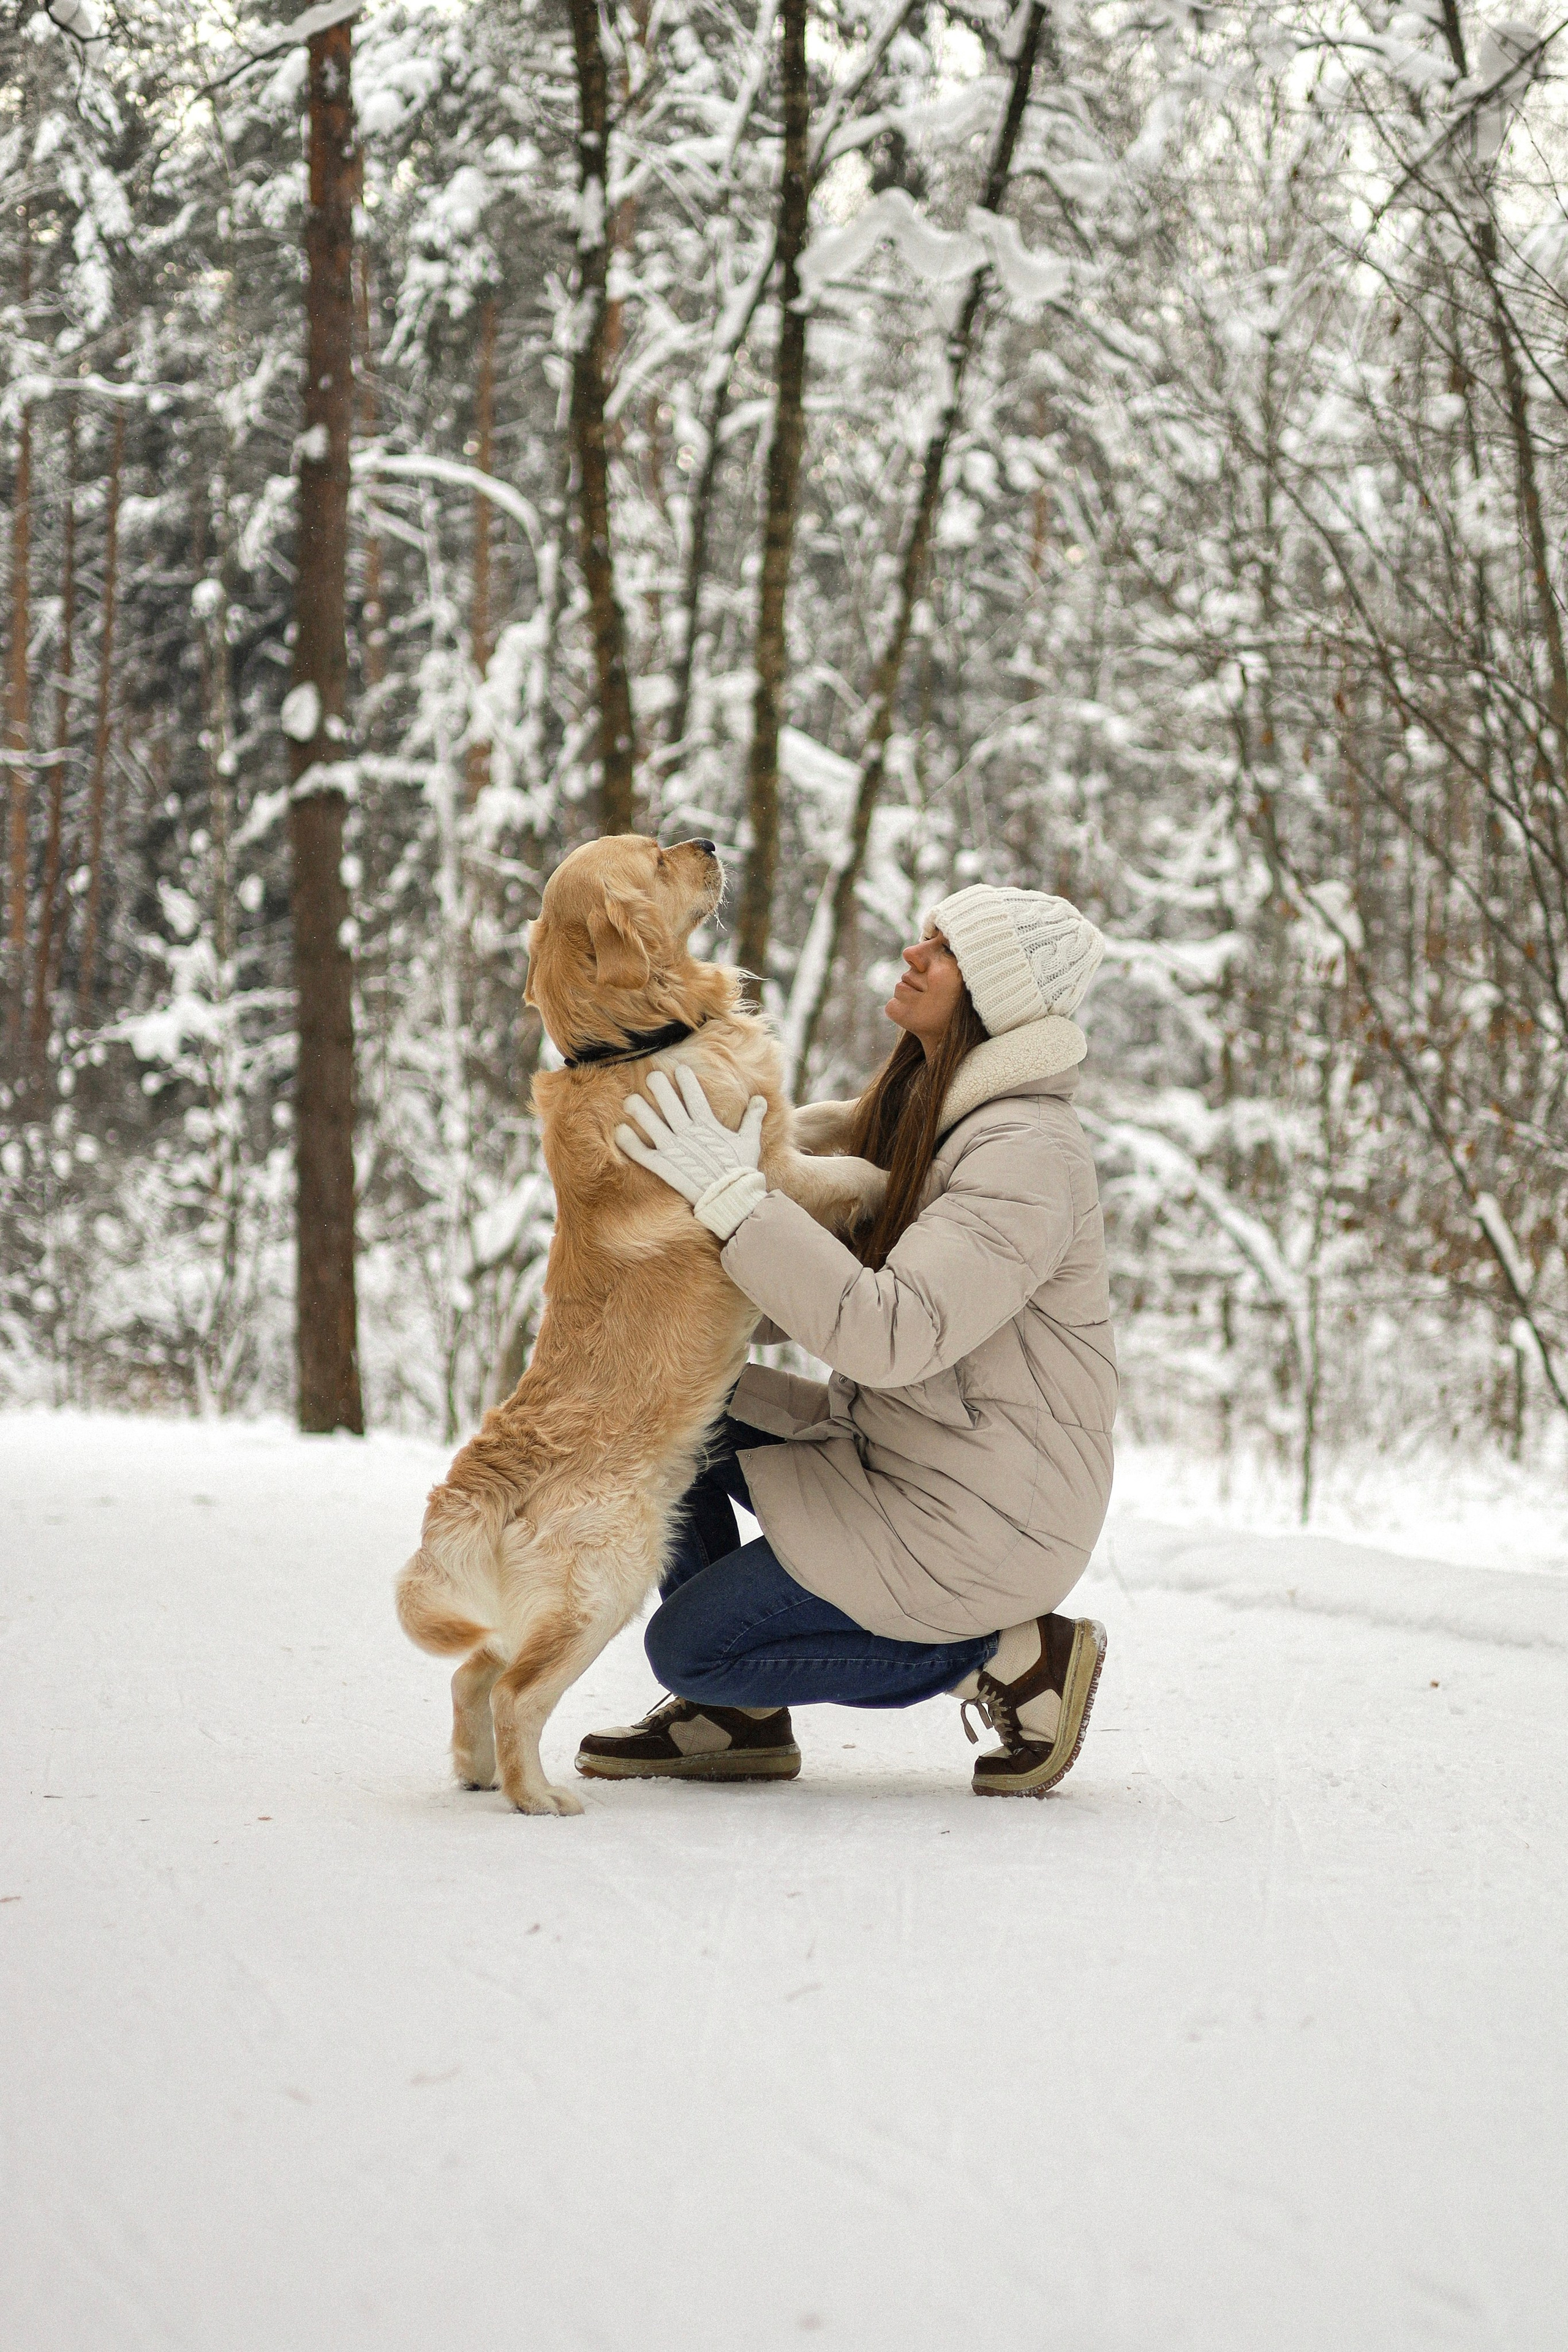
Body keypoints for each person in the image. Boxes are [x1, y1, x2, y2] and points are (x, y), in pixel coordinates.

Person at [575, 883, 1117, 1800]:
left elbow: (886, 1331)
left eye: (945, 950)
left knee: (691, 1651)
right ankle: (735, 1722)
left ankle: (1012, 1654)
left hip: (983, 1516)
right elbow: (807, 1289)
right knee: (656, 1399)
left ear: (994, 997)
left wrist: (735, 1200)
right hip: (903, 1454)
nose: (915, 953)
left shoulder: (1025, 1153)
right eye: (927, 933)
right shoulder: (918, 1113)